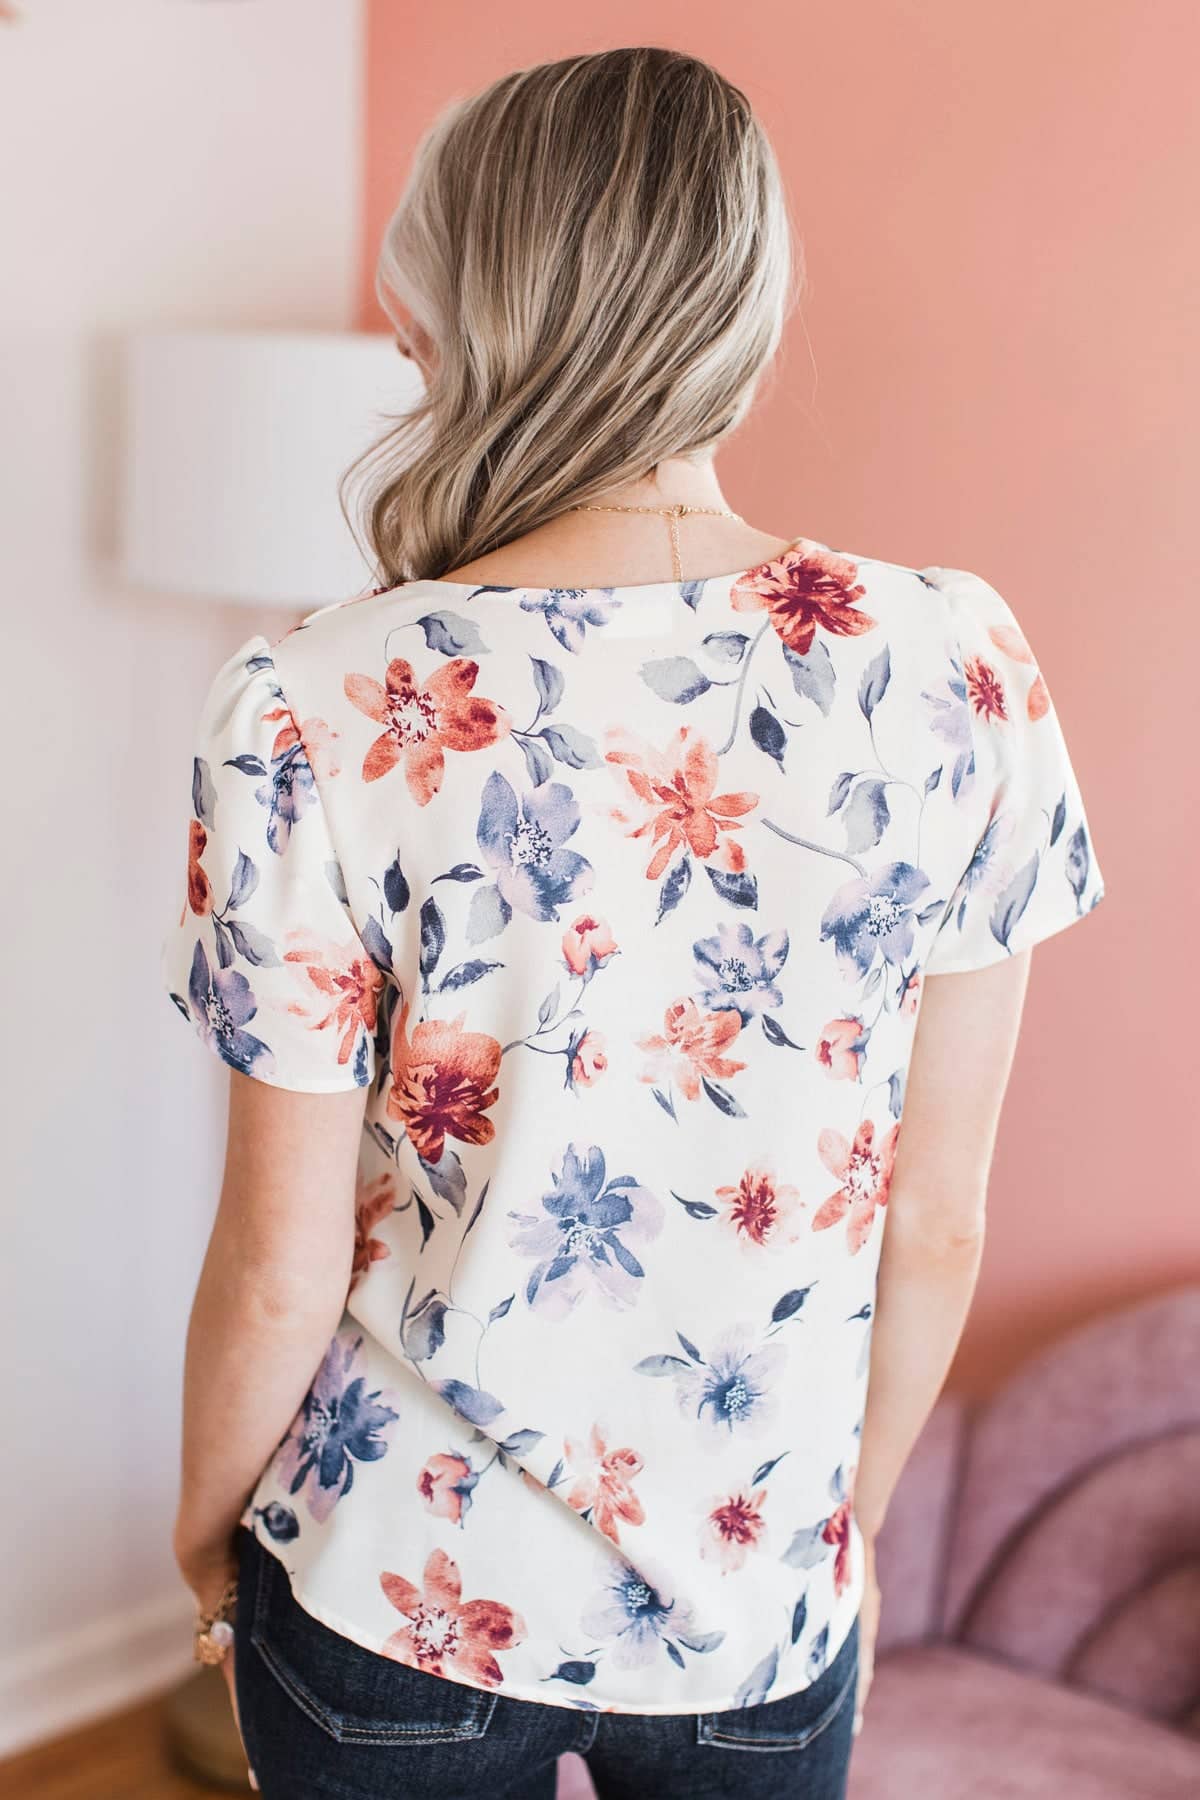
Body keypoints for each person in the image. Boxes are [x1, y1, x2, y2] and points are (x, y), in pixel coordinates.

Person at [162, 45, 1106, 1800]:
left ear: (468, 323)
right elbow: (938, 1219)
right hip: (762, 1602)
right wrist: (842, 1532)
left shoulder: (308, 698)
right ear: (743, 306)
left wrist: (205, 1536)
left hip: (393, 1582)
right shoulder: (957, 662)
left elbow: (278, 1262)